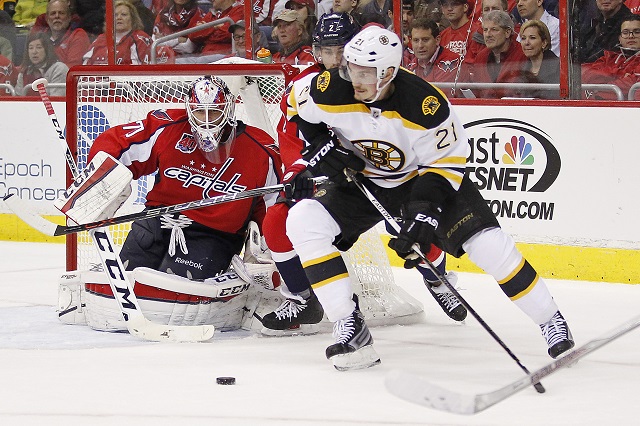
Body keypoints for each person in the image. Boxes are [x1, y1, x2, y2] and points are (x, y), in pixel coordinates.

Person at [284, 26, 574, 370]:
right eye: (351, 68)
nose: (354, 79)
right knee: (303, 221)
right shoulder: (330, 87)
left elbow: (445, 166)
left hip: (423, 179)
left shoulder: (425, 103)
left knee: (490, 246)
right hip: (364, 180)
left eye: (365, 73)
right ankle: (349, 324)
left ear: (389, 73)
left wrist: (424, 216)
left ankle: (549, 318)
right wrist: (318, 147)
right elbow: (294, 106)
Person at [78, 76, 282, 280]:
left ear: (228, 109)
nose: (207, 119)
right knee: (126, 279)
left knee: (176, 289)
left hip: (213, 235)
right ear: (189, 108)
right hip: (156, 221)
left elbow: (273, 205)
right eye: (200, 111)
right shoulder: (168, 127)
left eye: (215, 111)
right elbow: (115, 144)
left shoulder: (261, 150)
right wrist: (102, 182)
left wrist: (265, 247)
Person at [466, 9, 526, 97]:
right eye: (485, 30)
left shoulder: (523, 54)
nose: (488, 34)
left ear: (507, 32)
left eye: (494, 29)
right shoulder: (480, 57)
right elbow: (477, 92)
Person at [582, 15, 640, 100]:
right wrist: (619, 74)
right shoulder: (609, 57)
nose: (630, 36)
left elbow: (630, 85)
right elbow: (587, 75)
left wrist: (599, 88)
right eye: (625, 32)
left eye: (637, 31)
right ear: (619, 38)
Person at [83, 0, 152, 65]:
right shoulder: (100, 39)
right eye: (115, 15)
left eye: (124, 14)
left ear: (133, 19)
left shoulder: (140, 39)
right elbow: (84, 68)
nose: (119, 18)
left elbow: (142, 71)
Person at [31, 0, 90, 67]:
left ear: (69, 17)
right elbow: (26, 66)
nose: (57, 16)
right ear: (47, 19)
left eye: (61, 13)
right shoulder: (40, 37)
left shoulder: (78, 35)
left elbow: (73, 68)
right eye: (53, 13)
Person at [510, 19, 559, 98]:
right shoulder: (522, 68)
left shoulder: (558, 67)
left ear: (544, 43)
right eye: (523, 38)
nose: (526, 43)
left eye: (532, 38)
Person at [407, 18, 465, 82]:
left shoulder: (452, 62)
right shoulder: (412, 64)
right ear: (411, 41)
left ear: (437, 40)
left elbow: (437, 92)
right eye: (416, 40)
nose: (420, 45)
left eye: (425, 40)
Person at [15, 31, 68, 96]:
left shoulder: (59, 69)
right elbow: (17, 99)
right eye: (31, 48)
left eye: (39, 47)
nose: (34, 52)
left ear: (47, 50)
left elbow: (57, 100)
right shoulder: (24, 72)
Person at [438, 0, 484, 64]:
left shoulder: (477, 33)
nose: (449, 9)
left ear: (465, 7)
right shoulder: (442, 35)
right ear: (442, 9)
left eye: (454, 4)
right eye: (445, 5)